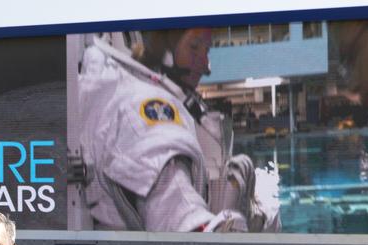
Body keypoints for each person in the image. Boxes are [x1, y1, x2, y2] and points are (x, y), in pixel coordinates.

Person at [77, 28, 279, 233]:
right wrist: (210, 233)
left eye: (206, 50)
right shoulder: (141, 106)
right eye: (194, 47)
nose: (205, 64)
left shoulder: (141, 93)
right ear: (163, 47)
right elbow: (174, 204)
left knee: (241, 169)